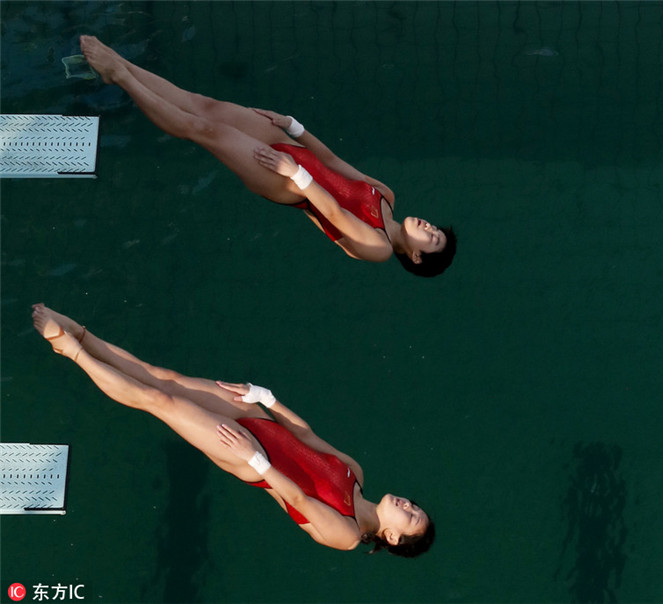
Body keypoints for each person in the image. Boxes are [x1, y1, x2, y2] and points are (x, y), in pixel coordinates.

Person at [31, 303, 435, 557]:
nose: (408, 506)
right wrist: (265, 396)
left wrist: (253, 457)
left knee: (161, 402)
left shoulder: (346, 534)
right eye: (416, 506)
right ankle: (83, 333)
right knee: (165, 378)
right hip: (259, 423)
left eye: (411, 518)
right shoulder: (357, 474)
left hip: (249, 457)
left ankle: (73, 352)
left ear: (394, 539)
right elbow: (307, 437)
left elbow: (295, 496)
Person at [78, 36, 456, 277]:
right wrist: (294, 127)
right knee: (203, 105)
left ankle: (119, 77)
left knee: (205, 131)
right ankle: (123, 64)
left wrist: (295, 174)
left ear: (418, 258)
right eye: (435, 228)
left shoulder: (379, 249)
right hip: (298, 155)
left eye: (432, 239)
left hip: (287, 183)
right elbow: (336, 163)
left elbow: (334, 213)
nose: (428, 227)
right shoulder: (387, 196)